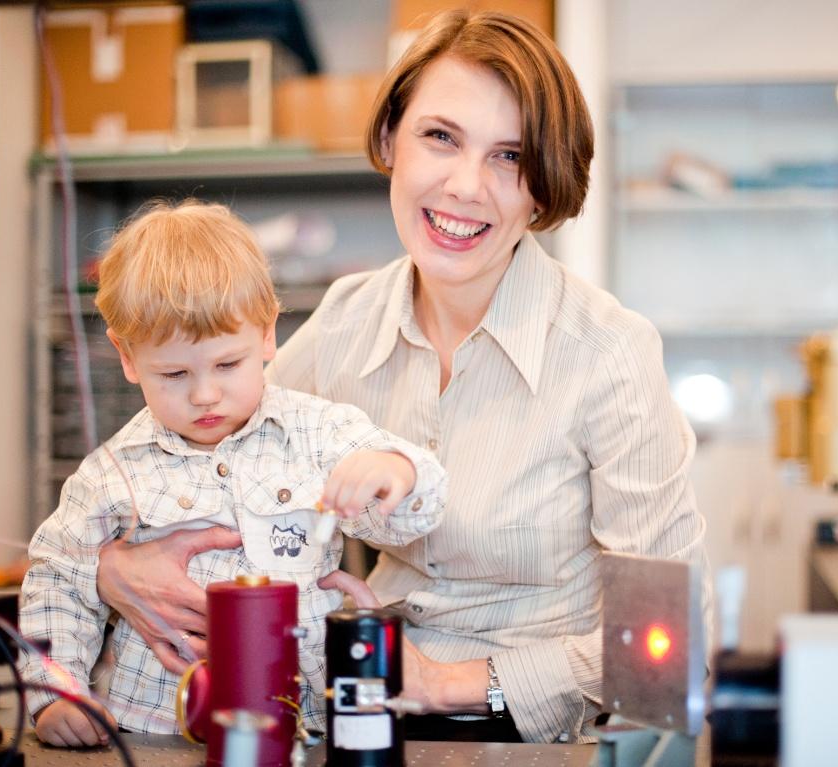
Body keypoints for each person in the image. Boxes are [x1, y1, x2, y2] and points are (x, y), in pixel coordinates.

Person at [95, 11, 709, 744]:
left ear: (542, 189)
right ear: (391, 139)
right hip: (355, 717)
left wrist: (447, 683)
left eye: (509, 156)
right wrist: (111, 566)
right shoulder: (347, 320)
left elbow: (668, 653)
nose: (465, 185)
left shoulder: (607, 354)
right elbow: (210, 451)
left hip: (534, 741)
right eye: (440, 137)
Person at [19, 200, 446, 747]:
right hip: (156, 731)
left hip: (303, 726)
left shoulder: (318, 434)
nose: (205, 394)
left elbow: (412, 519)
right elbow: (56, 581)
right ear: (127, 357)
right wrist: (55, 696)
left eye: (227, 364)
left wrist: (396, 472)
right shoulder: (111, 474)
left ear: (267, 334)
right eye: (173, 373)